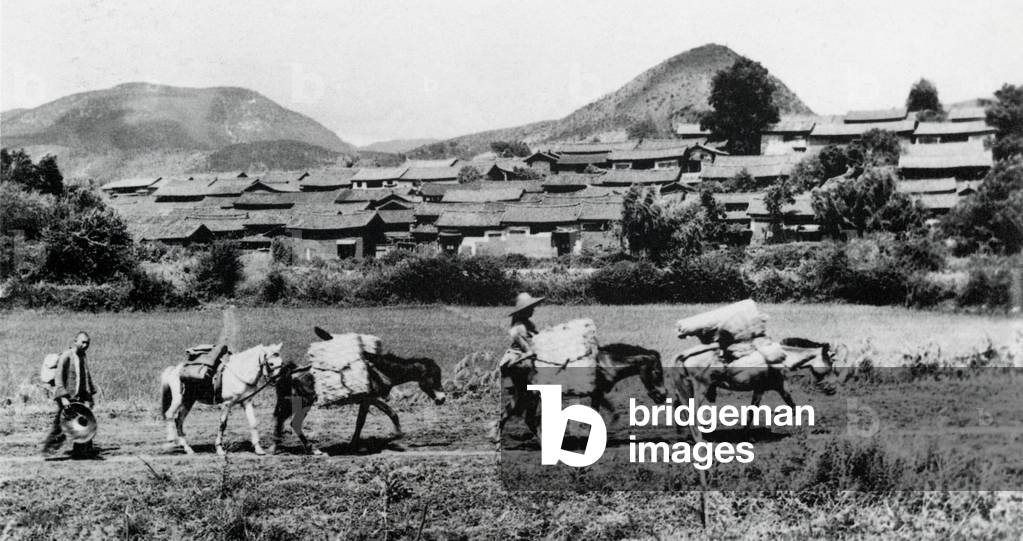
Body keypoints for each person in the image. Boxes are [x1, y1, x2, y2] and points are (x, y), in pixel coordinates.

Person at [42, 331, 97, 457]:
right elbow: (58, 377)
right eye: (83, 342)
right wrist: (63, 397)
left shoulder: (82, 356)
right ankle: (49, 450)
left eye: (87, 343)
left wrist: (90, 395)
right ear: (75, 341)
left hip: (79, 397)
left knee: (83, 421)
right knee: (61, 424)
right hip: (67, 397)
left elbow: (86, 376)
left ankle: (82, 451)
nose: (85, 345)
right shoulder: (67, 356)